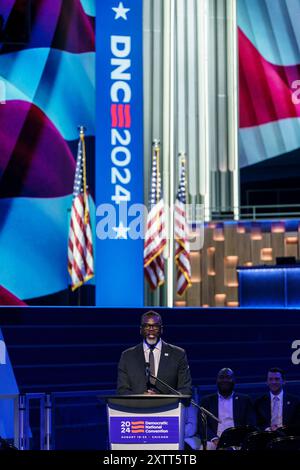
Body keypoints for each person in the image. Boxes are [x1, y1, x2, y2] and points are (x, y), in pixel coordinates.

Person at [117, 310, 192, 396]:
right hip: (137, 407)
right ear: (141, 330)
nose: (151, 329)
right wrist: (142, 397)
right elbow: (122, 391)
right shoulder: (127, 356)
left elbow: (185, 390)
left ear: (161, 329)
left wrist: (161, 398)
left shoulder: (178, 354)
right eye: (147, 326)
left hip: (168, 408)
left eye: (155, 326)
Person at [197, 368, 256, 450]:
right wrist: (214, 439)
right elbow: (202, 425)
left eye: (228, 377)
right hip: (214, 440)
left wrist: (241, 439)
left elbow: (251, 424)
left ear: (233, 380)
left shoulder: (245, 400)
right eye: (221, 377)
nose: (225, 380)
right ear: (217, 380)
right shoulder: (207, 400)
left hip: (238, 441)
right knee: (205, 447)